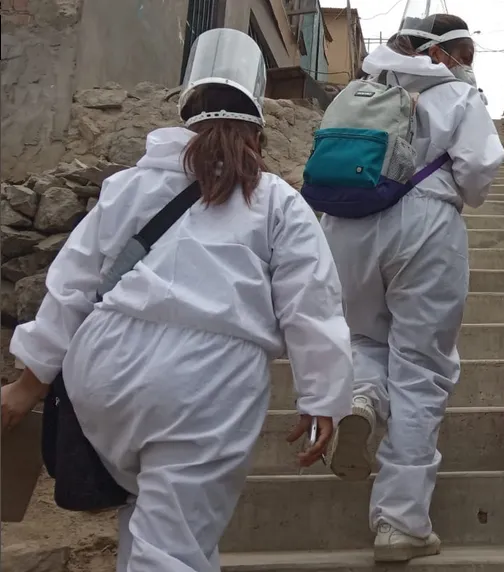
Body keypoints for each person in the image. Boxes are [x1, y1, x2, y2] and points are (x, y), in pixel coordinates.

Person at [0, 29, 353, 572]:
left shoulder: (130, 186)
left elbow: (72, 280)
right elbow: (312, 304)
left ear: (186, 109)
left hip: (104, 366)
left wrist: (29, 382)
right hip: (206, 384)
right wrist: (323, 397)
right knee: (174, 546)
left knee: (144, 517)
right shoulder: (277, 202)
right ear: (257, 121)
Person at [320, 13, 504, 563]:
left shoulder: (359, 88)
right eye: (464, 53)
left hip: (345, 226)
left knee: (364, 339)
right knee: (422, 367)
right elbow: (477, 176)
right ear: (441, 52)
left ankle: (360, 398)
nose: (467, 65)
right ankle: (401, 522)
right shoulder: (457, 97)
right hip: (424, 224)